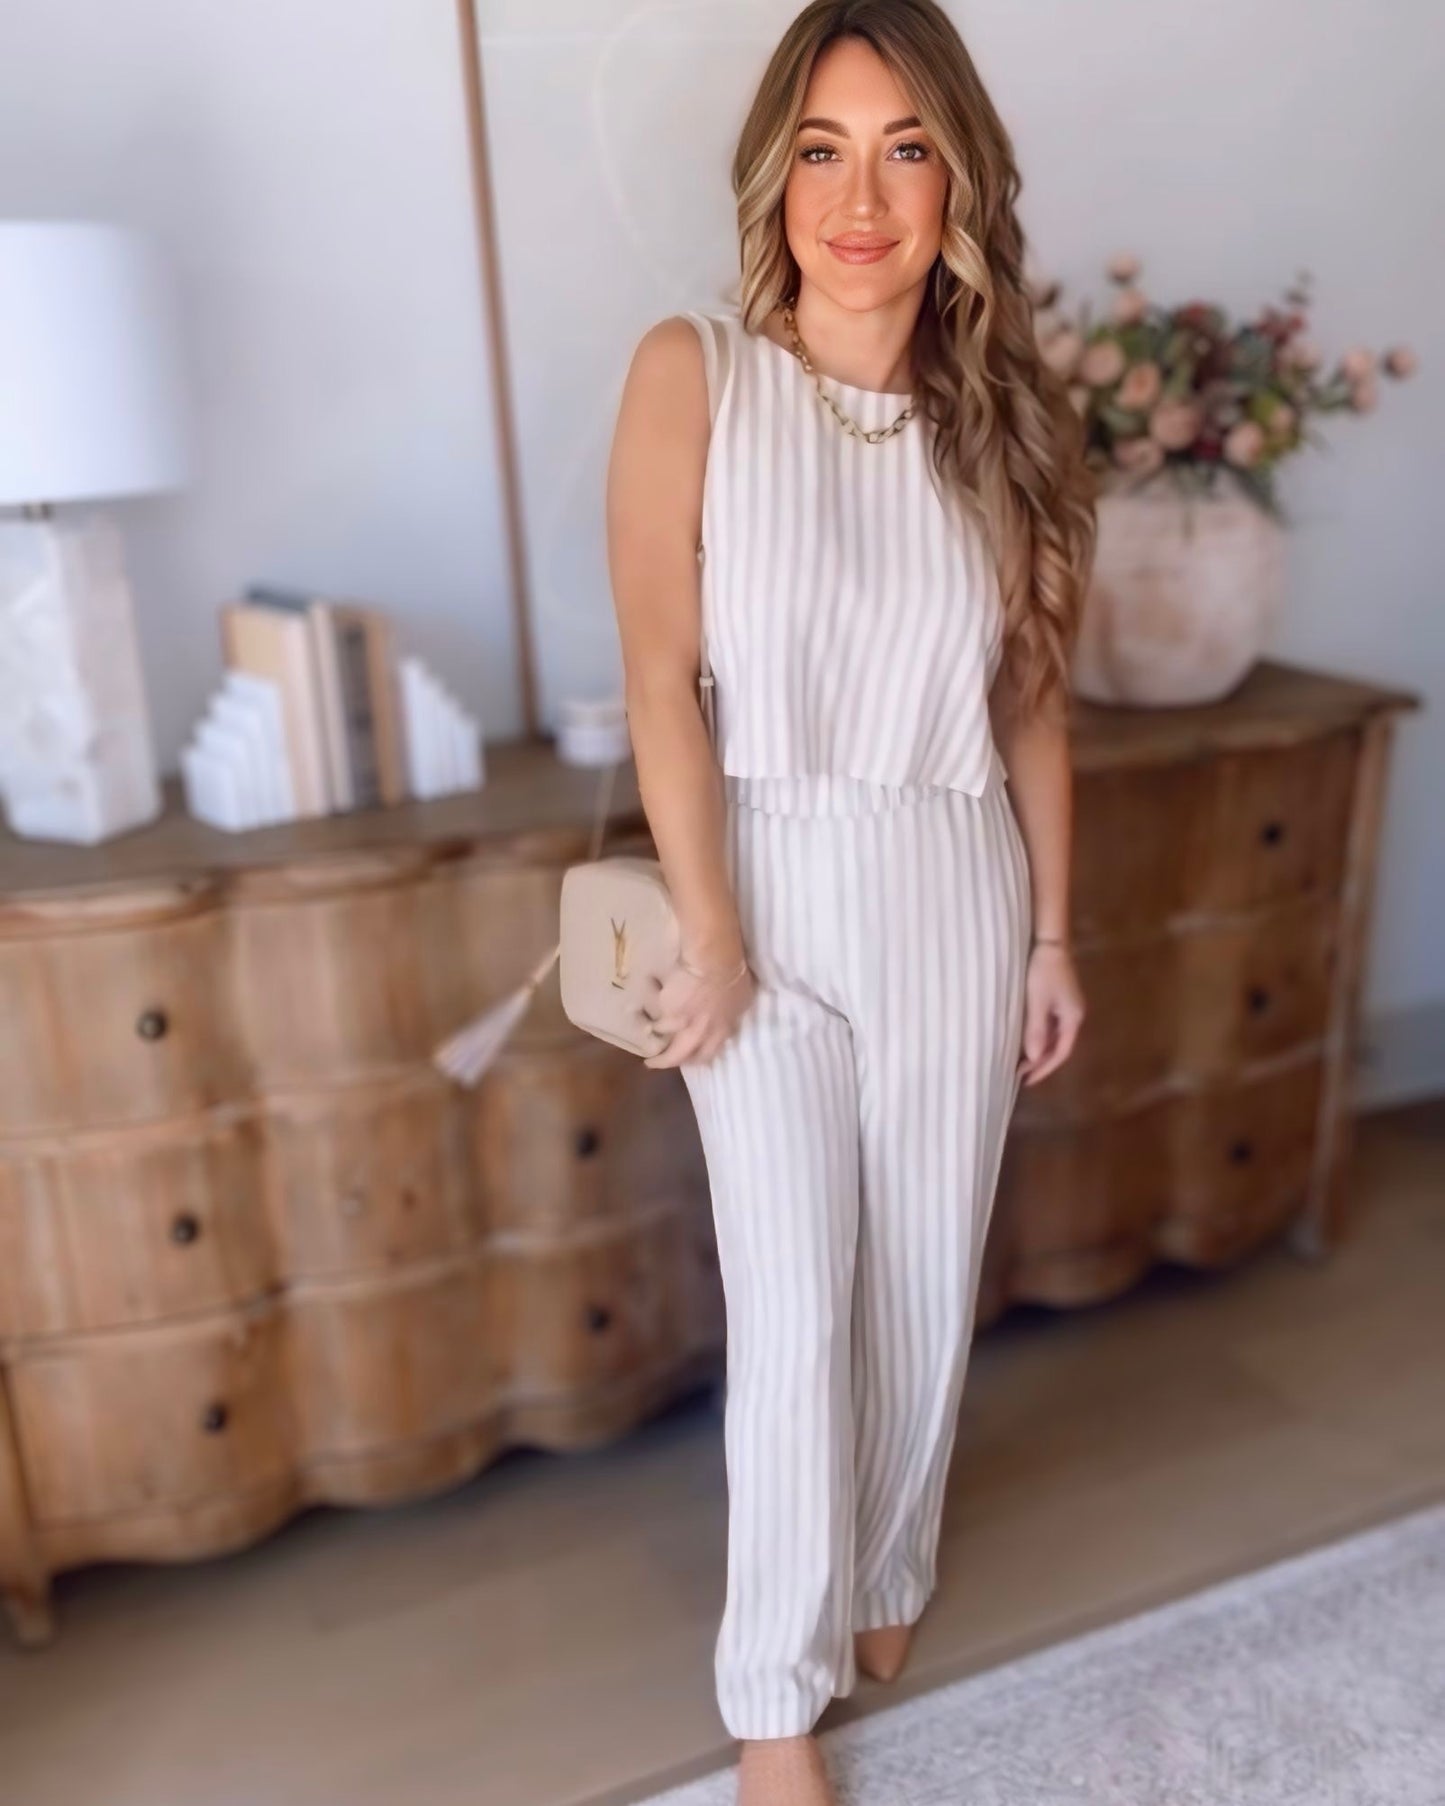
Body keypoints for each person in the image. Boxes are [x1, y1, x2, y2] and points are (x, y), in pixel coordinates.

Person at [606, 3, 1094, 1800]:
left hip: (952, 876)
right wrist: (711, 928)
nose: (859, 197)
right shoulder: (695, 376)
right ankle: (772, 1703)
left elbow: (1030, 706)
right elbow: (660, 678)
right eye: (821, 149)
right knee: (796, 1303)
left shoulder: (1008, 430)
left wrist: (1051, 935)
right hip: (760, 882)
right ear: (775, 175)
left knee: (918, 1278)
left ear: (957, 183)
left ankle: (885, 1566)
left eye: (904, 151)